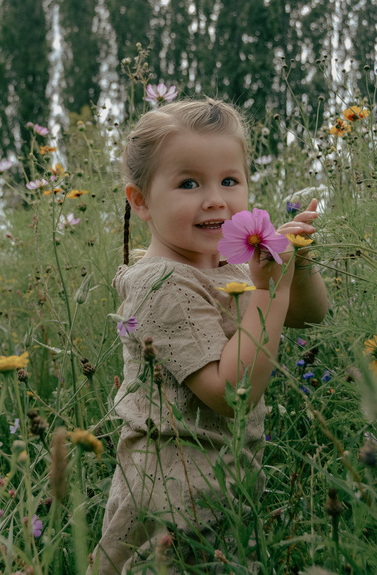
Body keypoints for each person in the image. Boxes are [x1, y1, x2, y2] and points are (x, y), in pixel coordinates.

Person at [88, 98, 328, 574]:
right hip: (169, 502)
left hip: (225, 490)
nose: (215, 198)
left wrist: (296, 270)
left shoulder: (232, 266)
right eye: (189, 183)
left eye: (229, 180)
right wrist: (269, 294)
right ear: (140, 202)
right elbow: (232, 393)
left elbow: (310, 318)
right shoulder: (161, 284)